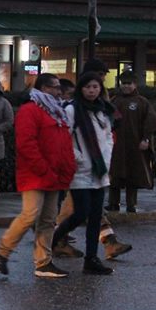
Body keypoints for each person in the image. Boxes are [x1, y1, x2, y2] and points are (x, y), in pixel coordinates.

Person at [0, 73, 76, 279]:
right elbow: (26, 144)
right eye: (55, 87)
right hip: (36, 174)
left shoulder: (56, 112)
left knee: (48, 219)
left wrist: (67, 168)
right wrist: (44, 169)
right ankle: (2, 251)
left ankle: (43, 262)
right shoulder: (30, 110)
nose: (59, 91)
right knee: (30, 215)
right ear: (43, 88)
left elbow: (64, 143)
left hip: (53, 174)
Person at [51, 72, 115, 276]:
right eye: (88, 87)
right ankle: (53, 239)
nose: (92, 91)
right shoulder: (72, 109)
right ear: (81, 89)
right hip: (80, 171)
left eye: (95, 87)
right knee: (81, 213)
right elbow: (63, 137)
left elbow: (108, 137)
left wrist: (106, 159)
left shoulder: (103, 110)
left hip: (99, 170)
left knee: (96, 216)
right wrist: (77, 157)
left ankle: (91, 258)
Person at [108, 71, 156, 213]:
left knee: (133, 174)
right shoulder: (114, 101)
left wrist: (145, 139)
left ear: (135, 84)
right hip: (116, 145)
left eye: (129, 83)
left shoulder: (142, 102)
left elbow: (150, 122)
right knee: (115, 173)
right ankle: (113, 203)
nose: (126, 86)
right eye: (123, 83)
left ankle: (131, 204)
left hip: (135, 144)